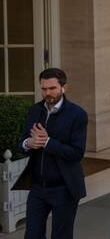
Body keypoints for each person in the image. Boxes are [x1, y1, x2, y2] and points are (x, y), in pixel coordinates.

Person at [13, 68, 87, 239]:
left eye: (52, 88)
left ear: (64, 87)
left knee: (61, 235)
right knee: (31, 235)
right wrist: (28, 143)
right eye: (44, 88)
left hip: (64, 187)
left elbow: (76, 153)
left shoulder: (77, 114)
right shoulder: (35, 110)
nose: (48, 93)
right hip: (38, 187)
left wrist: (47, 142)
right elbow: (22, 141)